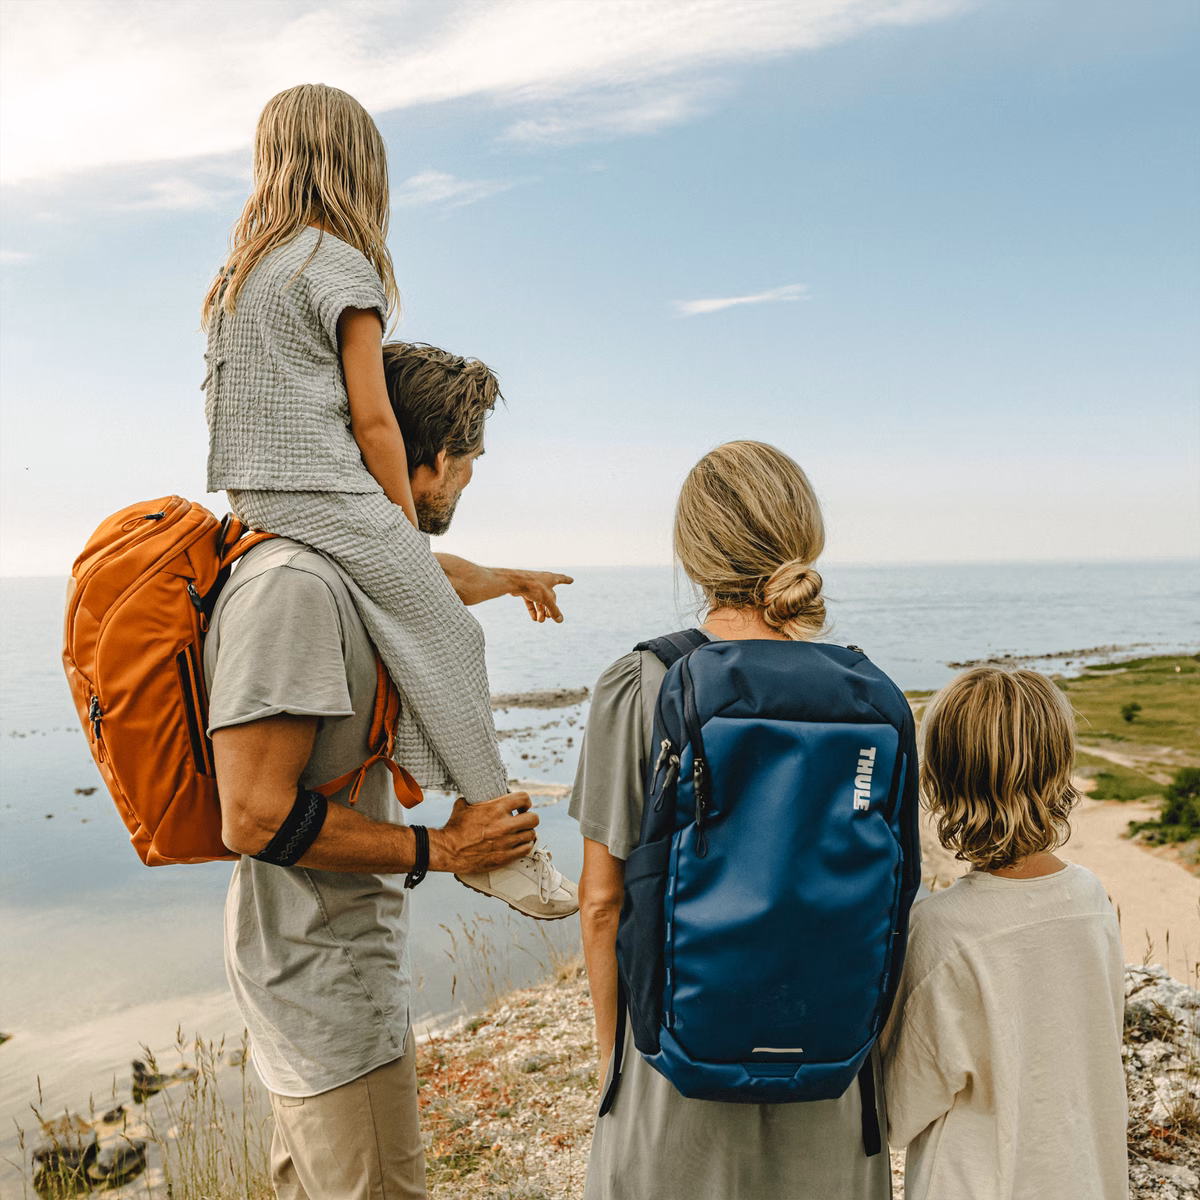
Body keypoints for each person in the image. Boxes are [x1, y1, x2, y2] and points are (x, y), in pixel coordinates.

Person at [204, 340, 575, 1200]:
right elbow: (252, 817)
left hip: (317, 967)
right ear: (433, 458)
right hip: (321, 983)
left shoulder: (344, 560)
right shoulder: (295, 588)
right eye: (469, 467)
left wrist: (502, 578)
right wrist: (445, 850)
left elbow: (415, 577)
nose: (468, 486)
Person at [201, 82, 574, 917]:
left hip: (257, 488)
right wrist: (402, 526)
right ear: (361, 169)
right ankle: (494, 835)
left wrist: (502, 575)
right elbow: (373, 420)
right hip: (325, 480)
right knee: (452, 639)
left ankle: (459, 798)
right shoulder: (339, 264)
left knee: (419, 605)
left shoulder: (239, 277)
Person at [571, 441, 895, 1200]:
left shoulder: (641, 684)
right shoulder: (864, 694)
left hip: (674, 1079)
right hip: (835, 1083)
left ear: (692, 554)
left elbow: (601, 903)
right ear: (803, 540)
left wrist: (610, 1058)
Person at [880, 667, 1128, 1199]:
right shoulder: (1092, 901)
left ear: (942, 784)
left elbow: (898, 1112)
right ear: (1059, 770)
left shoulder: (937, 932)